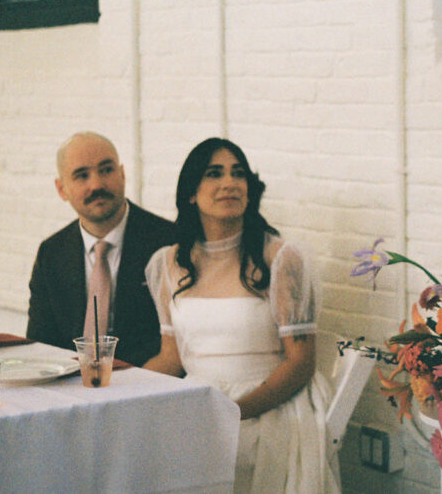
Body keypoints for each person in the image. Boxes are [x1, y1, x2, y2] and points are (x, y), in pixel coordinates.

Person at [143, 138, 338, 494]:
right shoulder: (168, 263)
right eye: (214, 174)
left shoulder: (280, 259)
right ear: (190, 193)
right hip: (199, 401)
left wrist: (235, 412)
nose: (229, 183)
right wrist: (120, 388)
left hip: (269, 403)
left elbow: (301, 363)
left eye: (238, 173)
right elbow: (171, 357)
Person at [27, 132, 176, 367]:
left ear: (123, 174)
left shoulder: (168, 242)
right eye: (82, 175)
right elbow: (40, 345)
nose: (96, 184)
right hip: (72, 388)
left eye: (106, 170)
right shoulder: (52, 253)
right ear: (61, 189)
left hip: (149, 385)